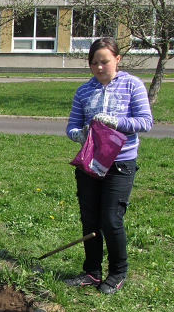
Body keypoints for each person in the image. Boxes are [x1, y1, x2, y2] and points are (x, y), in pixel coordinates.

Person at [64, 37, 152, 295]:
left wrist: (117, 122)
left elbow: (145, 122)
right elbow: (71, 127)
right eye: (94, 63)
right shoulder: (83, 91)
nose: (99, 67)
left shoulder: (132, 85)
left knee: (111, 219)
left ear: (117, 59)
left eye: (104, 61)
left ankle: (118, 272)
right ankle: (92, 271)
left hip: (120, 164)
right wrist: (80, 134)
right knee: (90, 219)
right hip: (90, 163)